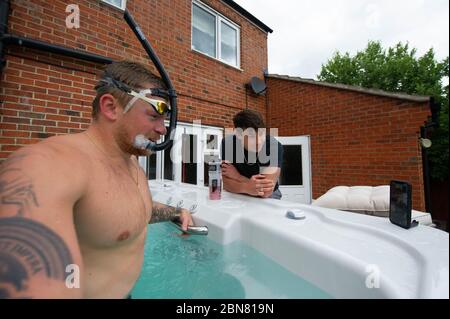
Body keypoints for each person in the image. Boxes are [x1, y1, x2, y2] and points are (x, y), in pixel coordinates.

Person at [0, 61, 194, 299]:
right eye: (154, 116)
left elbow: (124, 211)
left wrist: (175, 212)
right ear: (111, 107)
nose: (162, 129)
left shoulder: (130, 161)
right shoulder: (47, 165)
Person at [220, 109, 283, 199]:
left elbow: (265, 192)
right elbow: (226, 184)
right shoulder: (228, 143)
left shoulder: (273, 146)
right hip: (238, 193)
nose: (259, 141)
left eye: (261, 134)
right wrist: (247, 187)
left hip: (268, 197)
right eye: (252, 136)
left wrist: (238, 177)